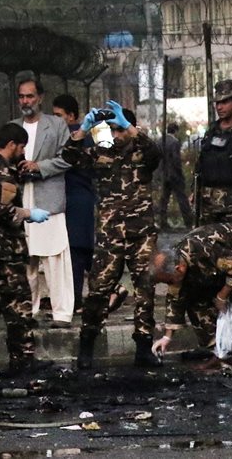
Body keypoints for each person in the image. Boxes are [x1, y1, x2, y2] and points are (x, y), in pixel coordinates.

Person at [62, 103, 163, 369]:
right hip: (111, 236)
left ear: (129, 129)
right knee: (97, 291)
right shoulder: (101, 152)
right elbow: (70, 157)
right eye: (112, 130)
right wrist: (83, 130)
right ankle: (86, 347)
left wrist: (130, 128)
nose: (116, 135)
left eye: (120, 129)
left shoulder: (142, 152)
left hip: (141, 234)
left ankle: (144, 348)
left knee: (145, 291)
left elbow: (156, 153)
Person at [0, 123, 50, 376]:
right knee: (19, 304)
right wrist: (28, 213)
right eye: (21, 147)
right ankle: (23, 359)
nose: (23, 152)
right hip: (6, 248)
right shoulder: (1, 173)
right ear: (12, 144)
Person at [12, 77, 74, 325]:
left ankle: (62, 313)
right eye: (21, 96)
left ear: (40, 98)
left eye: (30, 96)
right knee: (25, 258)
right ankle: (28, 311)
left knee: (55, 257)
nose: (25, 101)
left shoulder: (56, 125)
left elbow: (68, 158)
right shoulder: (12, 127)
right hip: (19, 196)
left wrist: (39, 166)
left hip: (48, 196)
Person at [151, 224, 232, 370]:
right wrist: (167, 337)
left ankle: (230, 355)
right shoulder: (176, 266)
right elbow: (175, 297)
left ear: (179, 269)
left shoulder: (204, 250)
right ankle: (221, 353)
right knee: (193, 300)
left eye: (170, 280)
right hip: (217, 271)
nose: (170, 284)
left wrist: (222, 296)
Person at [51, 94, 97, 315]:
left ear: (71, 116)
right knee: (81, 250)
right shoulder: (83, 136)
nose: (55, 120)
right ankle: (109, 290)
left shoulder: (74, 137)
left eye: (58, 115)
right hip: (79, 197)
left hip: (75, 197)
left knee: (76, 250)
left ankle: (76, 299)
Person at [197, 79, 232, 224]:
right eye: (217, 103)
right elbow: (201, 163)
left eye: (225, 102)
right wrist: (195, 191)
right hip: (209, 205)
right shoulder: (212, 131)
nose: (219, 107)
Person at [157, 122, 192, 229]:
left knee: (164, 198)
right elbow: (176, 160)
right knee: (182, 198)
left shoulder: (160, 141)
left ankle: (162, 221)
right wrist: (180, 173)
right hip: (174, 174)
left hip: (164, 174)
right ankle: (188, 222)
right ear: (176, 131)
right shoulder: (175, 142)